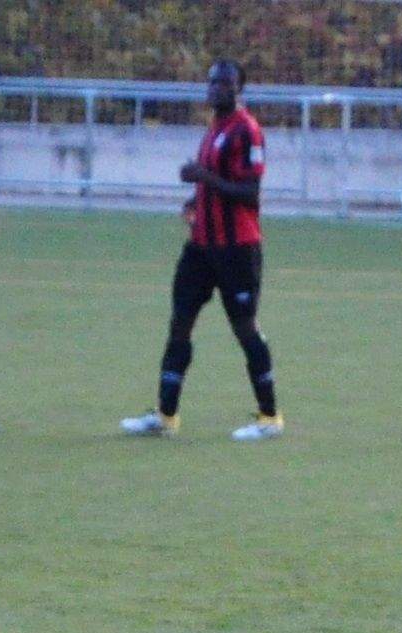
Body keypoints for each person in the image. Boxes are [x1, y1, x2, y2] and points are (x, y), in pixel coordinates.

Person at [121, 60, 284, 442]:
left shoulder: (248, 131)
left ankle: (270, 416)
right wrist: (195, 198)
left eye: (223, 84)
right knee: (180, 321)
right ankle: (165, 415)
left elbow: (249, 192)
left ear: (238, 89)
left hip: (237, 249)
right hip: (202, 246)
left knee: (244, 328)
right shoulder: (214, 128)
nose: (214, 89)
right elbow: (215, 181)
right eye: (211, 82)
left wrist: (203, 177)